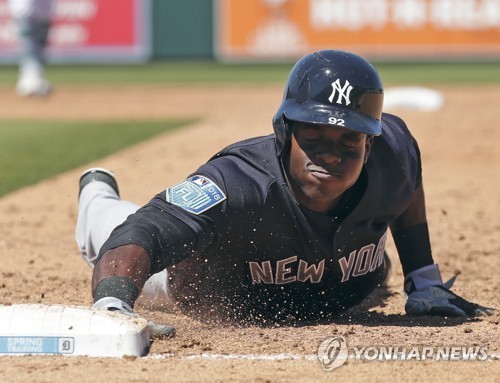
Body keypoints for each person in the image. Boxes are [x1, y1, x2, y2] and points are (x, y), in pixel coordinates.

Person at [76, 50, 492, 336]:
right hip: (183, 281)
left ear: (369, 146)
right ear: (284, 131)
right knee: (115, 224)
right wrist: (113, 306)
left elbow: (409, 183)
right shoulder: (237, 182)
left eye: (349, 140)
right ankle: (96, 193)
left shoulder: (393, 153)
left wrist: (423, 280)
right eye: (313, 134)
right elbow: (142, 234)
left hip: (341, 293)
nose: (330, 153)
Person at [8, 0, 54, 97]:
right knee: (30, 46)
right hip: (25, 9)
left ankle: (36, 77)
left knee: (40, 46)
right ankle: (29, 80)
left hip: (44, 10)